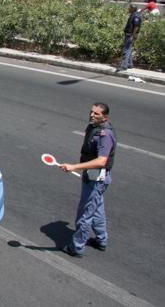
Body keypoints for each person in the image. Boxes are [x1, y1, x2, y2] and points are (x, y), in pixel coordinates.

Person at [60, 103, 116, 258]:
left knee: (85, 215)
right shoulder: (93, 127)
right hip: (91, 176)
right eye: (91, 112)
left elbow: (101, 161)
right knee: (97, 210)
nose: (92, 115)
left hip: (96, 180)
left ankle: (77, 247)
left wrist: (74, 167)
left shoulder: (105, 135)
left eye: (96, 114)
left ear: (105, 117)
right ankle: (101, 240)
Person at [117, 5, 141, 72]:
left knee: (126, 50)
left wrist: (132, 36)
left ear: (133, 9)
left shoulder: (136, 16)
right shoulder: (133, 14)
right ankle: (130, 64)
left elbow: (136, 27)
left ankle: (124, 66)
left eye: (130, 8)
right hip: (129, 35)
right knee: (129, 49)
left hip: (130, 35)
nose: (128, 9)